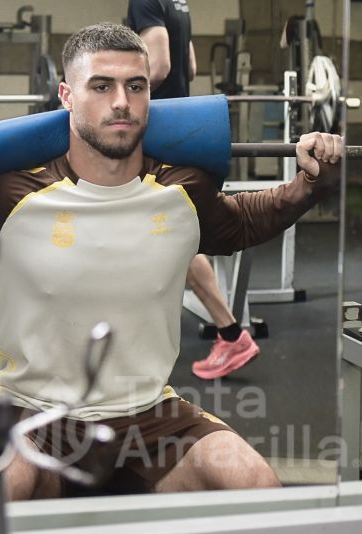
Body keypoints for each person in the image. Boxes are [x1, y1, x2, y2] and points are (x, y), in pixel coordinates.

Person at [0, 22, 341, 499]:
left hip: (149, 419)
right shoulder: (10, 193)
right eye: (101, 86)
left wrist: (310, 183)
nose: (122, 103)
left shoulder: (182, 190)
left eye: (136, 86)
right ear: (66, 95)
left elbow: (244, 221)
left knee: (254, 483)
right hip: (33, 415)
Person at [127, 0, 259, 381]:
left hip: (155, 128)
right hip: (177, 123)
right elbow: (191, 67)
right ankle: (229, 333)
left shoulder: (144, 1)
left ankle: (230, 333)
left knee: (161, 234)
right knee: (161, 234)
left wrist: (121, 96)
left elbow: (163, 64)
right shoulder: (178, 3)